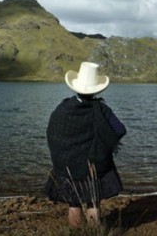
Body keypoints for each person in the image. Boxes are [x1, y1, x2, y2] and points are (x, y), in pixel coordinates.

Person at [45, 62, 127, 228]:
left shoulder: (63, 108)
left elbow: (52, 133)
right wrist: (102, 145)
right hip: (94, 164)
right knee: (93, 202)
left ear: (76, 87)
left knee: (73, 203)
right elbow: (119, 130)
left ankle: (76, 233)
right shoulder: (102, 110)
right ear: (97, 89)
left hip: (67, 165)